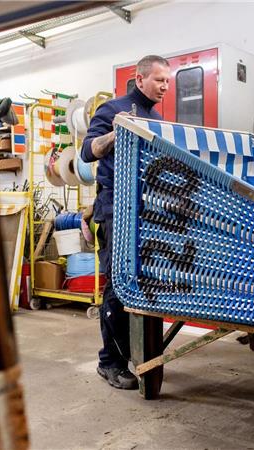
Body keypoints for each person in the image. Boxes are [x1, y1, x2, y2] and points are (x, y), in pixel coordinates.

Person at [81, 55, 170, 389]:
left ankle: (138, 354)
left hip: (143, 211)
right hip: (114, 209)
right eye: (159, 80)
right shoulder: (113, 109)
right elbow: (88, 151)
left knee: (140, 284)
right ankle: (110, 363)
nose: (164, 87)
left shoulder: (157, 118)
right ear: (140, 77)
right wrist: (116, 133)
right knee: (117, 286)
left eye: (167, 82)